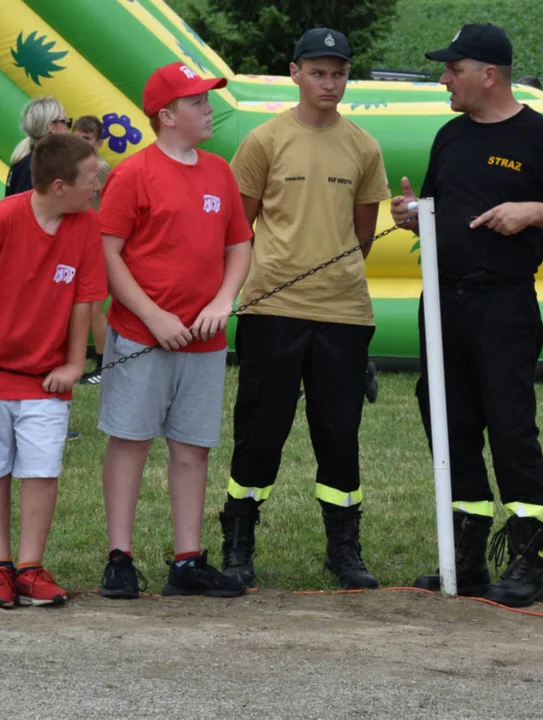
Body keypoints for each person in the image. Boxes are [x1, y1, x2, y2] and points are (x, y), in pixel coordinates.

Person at [390, 23, 543, 607]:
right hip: (441, 301)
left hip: (504, 303)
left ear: (489, 75)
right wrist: (413, 214)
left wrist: (532, 211)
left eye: (453, 70)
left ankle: (527, 559)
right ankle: (467, 554)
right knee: (446, 419)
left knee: (510, 427)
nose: (443, 80)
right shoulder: (449, 137)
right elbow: (440, 210)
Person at [216, 28, 390, 591]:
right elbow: (236, 230)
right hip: (271, 309)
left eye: (339, 73)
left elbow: (362, 236)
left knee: (339, 433)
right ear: (294, 73)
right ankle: (238, 541)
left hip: (345, 313)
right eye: (318, 72)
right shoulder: (265, 141)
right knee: (261, 430)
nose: (330, 83)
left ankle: (344, 548)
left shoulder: (363, 146)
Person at [96, 62, 253, 599]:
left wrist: (223, 300)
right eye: (197, 102)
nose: (209, 109)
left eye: (207, 101)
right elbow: (108, 254)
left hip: (205, 342)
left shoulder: (218, 173)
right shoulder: (132, 174)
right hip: (142, 338)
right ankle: (119, 557)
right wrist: (154, 317)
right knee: (131, 441)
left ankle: (187, 559)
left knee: (192, 448)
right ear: (166, 116)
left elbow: (239, 245)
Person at [0, 133, 107, 608]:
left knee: (41, 469)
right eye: (91, 179)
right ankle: (0, 567)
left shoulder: (85, 226)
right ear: (59, 186)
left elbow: (84, 300)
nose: (97, 186)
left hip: (45, 381)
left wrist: (75, 363)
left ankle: (31, 567)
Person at [72, 114, 113, 385]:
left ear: (98, 142)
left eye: (86, 138)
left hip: (97, 243)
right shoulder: (77, 164)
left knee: (95, 308)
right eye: (77, 137)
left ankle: (104, 365)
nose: (81, 142)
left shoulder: (100, 168)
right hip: (84, 243)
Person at [6, 96, 71, 197]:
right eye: (66, 122)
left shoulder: (30, 159)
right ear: (52, 127)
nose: (68, 129)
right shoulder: (35, 167)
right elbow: (25, 209)